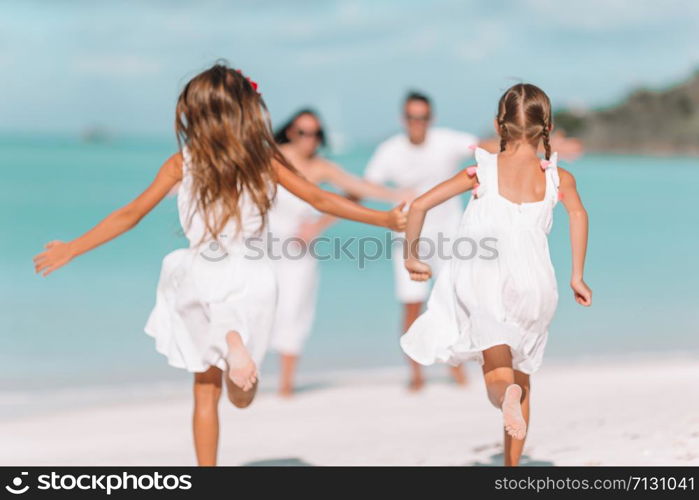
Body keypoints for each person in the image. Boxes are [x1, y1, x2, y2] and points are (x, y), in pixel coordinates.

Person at [32, 63, 406, 466]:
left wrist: (74, 247)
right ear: (245, 109)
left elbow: (131, 213)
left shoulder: (182, 163)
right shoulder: (263, 160)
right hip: (252, 275)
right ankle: (234, 344)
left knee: (204, 388)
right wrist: (382, 219)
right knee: (242, 397)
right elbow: (321, 199)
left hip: (199, 275)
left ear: (194, 112)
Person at [400, 83, 591, 466]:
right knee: (524, 378)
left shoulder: (480, 170)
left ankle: (505, 399)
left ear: (498, 124)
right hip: (537, 284)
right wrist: (577, 276)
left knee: (499, 375)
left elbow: (419, 205)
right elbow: (577, 215)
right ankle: (511, 467)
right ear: (547, 126)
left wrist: (412, 256)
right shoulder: (558, 177)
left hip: (485, 280)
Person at [270, 109, 407, 397]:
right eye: (303, 132)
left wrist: (399, 196)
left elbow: (355, 190)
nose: (310, 139)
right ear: (291, 132)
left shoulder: (321, 167)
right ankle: (243, 376)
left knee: (295, 312)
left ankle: (285, 385)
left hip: (299, 251)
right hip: (260, 248)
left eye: (316, 133)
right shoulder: (272, 158)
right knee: (256, 309)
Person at [364, 91, 476, 390]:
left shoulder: (446, 140)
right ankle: (416, 374)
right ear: (404, 119)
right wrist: (393, 196)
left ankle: (456, 367)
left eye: (423, 117)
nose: (417, 123)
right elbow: (365, 185)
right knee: (412, 305)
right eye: (412, 117)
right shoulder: (390, 150)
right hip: (408, 236)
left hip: (448, 234)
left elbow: (485, 148)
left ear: (431, 119)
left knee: (454, 301)